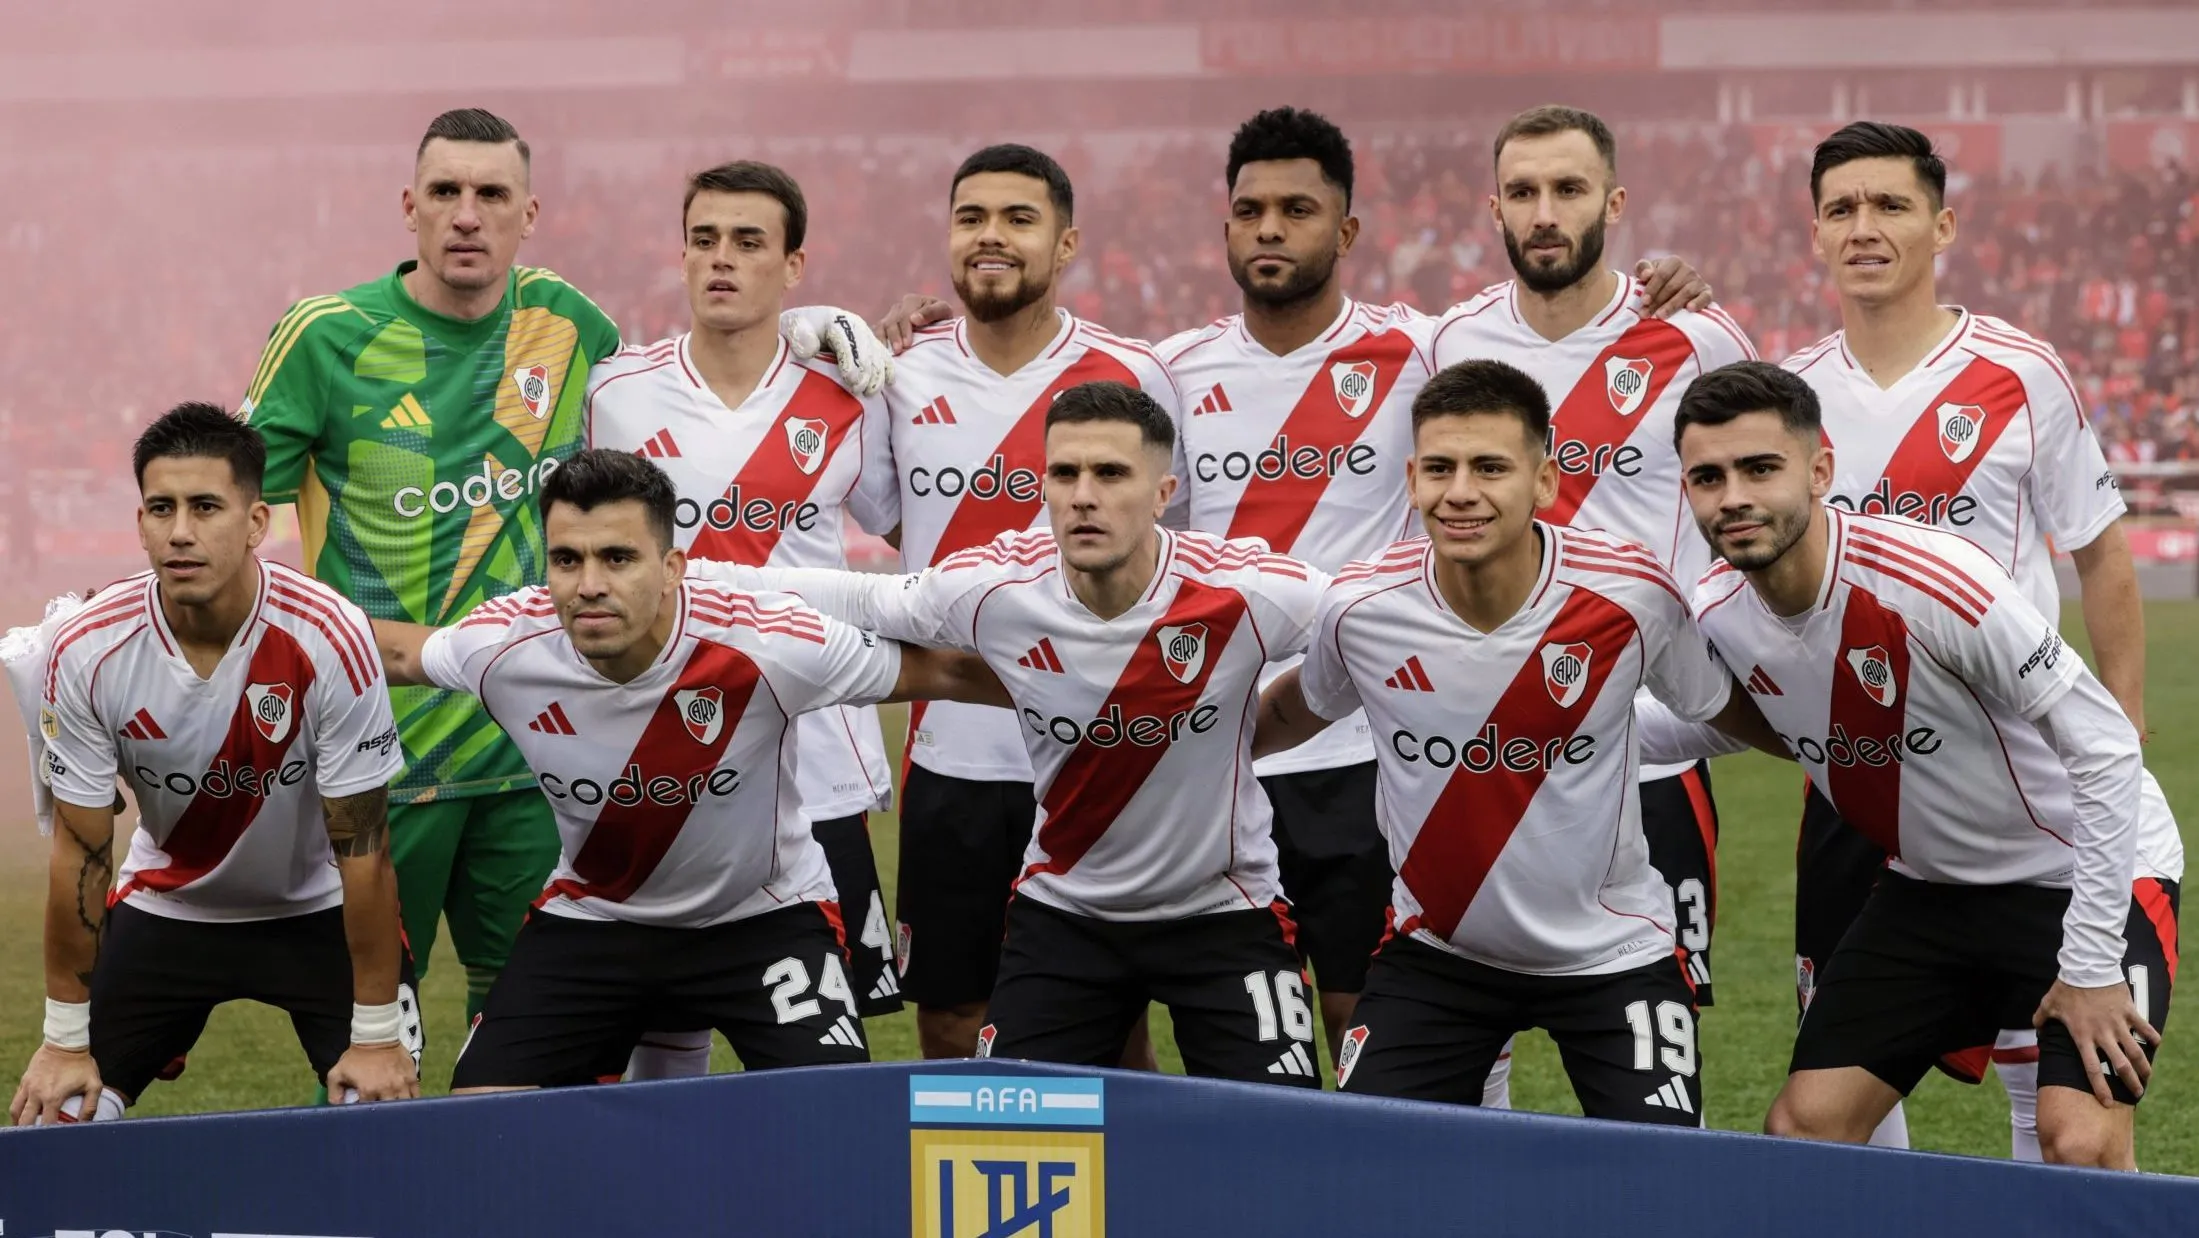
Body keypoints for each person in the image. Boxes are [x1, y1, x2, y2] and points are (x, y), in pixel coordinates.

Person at [690, 381, 1326, 1085]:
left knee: (1274, 1133)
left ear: (1162, 493)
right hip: (1067, 914)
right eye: (1064, 473)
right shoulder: (998, 587)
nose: (1083, 495)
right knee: (1003, 1132)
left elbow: (1368, 622)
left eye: (1110, 474)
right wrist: (686, 580)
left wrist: (1263, 729)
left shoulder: (1247, 589)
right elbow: (861, 598)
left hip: (1223, 910)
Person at [1658, 360, 2174, 1170]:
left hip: (2083, 871)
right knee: (1804, 1131)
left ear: (1818, 469)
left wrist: (2089, 964)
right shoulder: (1719, 608)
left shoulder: (1933, 584)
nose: (1732, 497)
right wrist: (1552, 731)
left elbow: (2105, 747)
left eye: (1760, 468)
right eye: (1707, 477)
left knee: (2078, 1144)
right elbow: (1733, 721)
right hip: (1934, 890)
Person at [368, 450, 1002, 1090]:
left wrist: (1093, 690)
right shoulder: (502, 646)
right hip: (599, 917)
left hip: (763, 917)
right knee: (482, 1118)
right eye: (568, 560)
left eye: (618, 558)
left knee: (829, 1120)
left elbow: (945, 670)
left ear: (672, 568)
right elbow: (390, 650)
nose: (589, 584)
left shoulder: (768, 644)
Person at [1252, 361, 1780, 1121]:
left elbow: (1729, 707)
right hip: (1438, 957)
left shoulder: (1628, 596)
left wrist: (1848, 746)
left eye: (1489, 467)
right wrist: (1181, 752)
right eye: (1439, 467)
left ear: (1542, 481)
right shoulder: (1360, 608)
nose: (1459, 491)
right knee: (1369, 1168)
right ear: (1410, 478)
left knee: (1663, 1187)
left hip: (1615, 956)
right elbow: (1292, 711)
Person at [1780, 122, 2154, 1155]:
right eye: (1843, 208)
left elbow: (2100, 551)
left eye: (1892, 205)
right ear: (1815, 233)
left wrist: (2119, 724)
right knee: (1839, 1077)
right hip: (1857, 777)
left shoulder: (2019, 373)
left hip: (2016, 771)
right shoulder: (1789, 399)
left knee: (2055, 1086)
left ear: (1941, 224)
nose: (1866, 227)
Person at [10, 404, 420, 1126]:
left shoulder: (328, 635)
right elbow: (80, 851)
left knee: (383, 1116)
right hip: (171, 905)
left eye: (206, 507)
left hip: (315, 908)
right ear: (138, 522)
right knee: (55, 1118)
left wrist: (379, 1035)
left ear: (257, 522)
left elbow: (364, 850)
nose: (179, 532)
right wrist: (64, 1041)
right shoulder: (83, 648)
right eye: (160, 509)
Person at [586, 161, 905, 1080]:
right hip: (662, 747)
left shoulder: (850, 392)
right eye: (704, 239)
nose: (721, 260)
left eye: (749, 242)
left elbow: (898, 517)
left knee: (819, 1041)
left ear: (793, 266)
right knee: (663, 1020)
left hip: (820, 759)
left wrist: (873, 331)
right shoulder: (614, 392)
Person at [873, 145, 1186, 1062]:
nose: (991, 237)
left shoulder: (1133, 372)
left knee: (1113, 1013)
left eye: (1018, 218)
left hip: (1099, 745)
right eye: (971, 218)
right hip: (957, 753)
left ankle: (1129, 1203)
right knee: (950, 1014)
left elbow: (1168, 543)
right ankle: (978, 1208)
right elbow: (884, 523)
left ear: (1066, 242)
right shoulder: (898, 372)